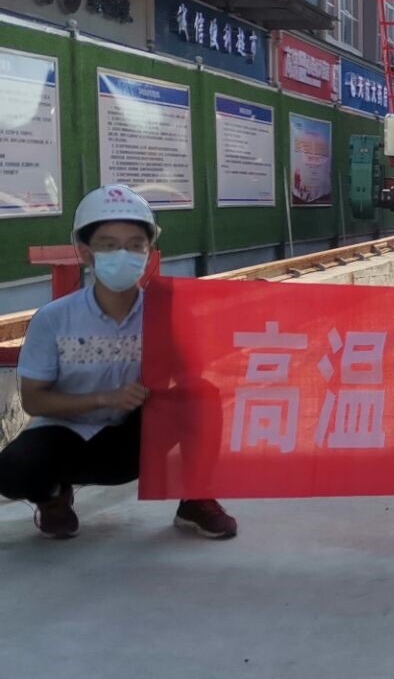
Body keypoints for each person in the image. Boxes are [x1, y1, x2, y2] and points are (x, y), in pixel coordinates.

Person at [0, 185, 236, 540]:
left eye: (135, 244)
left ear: (149, 251)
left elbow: (191, 380)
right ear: (85, 252)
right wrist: (104, 399)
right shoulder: (54, 319)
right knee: (13, 470)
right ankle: (53, 497)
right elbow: (33, 400)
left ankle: (195, 498)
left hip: (133, 439)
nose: (123, 254)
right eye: (108, 245)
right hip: (65, 435)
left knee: (203, 395)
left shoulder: (166, 313)